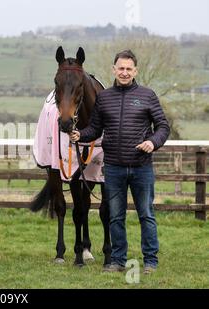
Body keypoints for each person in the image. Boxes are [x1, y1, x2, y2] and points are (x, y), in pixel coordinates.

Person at [69, 50, 170, 274]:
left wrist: (153, 142)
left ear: (135, 71)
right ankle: (117, 260)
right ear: (114, 70)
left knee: (146, 214)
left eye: (128, 69)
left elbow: (163, 126)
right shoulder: (104, 98)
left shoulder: (148, 95)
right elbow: (95, 128)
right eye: (120, 68)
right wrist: (80, 135)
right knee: (115, 216)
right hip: (113, 168)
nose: (124, 72)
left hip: (141, 167)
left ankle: (151, 261)